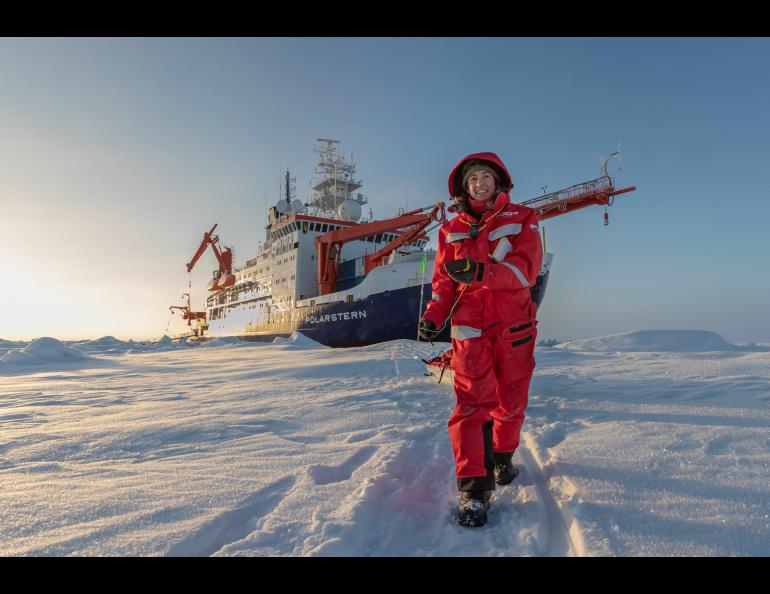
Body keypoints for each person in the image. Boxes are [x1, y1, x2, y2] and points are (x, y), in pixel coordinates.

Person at [419, 152, 543, 527]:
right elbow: (443, 282)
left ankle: (503, 455)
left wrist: (481, 271)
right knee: (471, 405)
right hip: (470, 328)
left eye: (485, 176)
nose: (479, 183)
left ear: (499, 181)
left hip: (513, 327)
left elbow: (526, 270)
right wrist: (433, 315)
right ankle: (473, 490)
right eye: (472, 178)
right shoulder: (450, 228)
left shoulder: (523, 218)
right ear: (463, 186)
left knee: (510, 399)